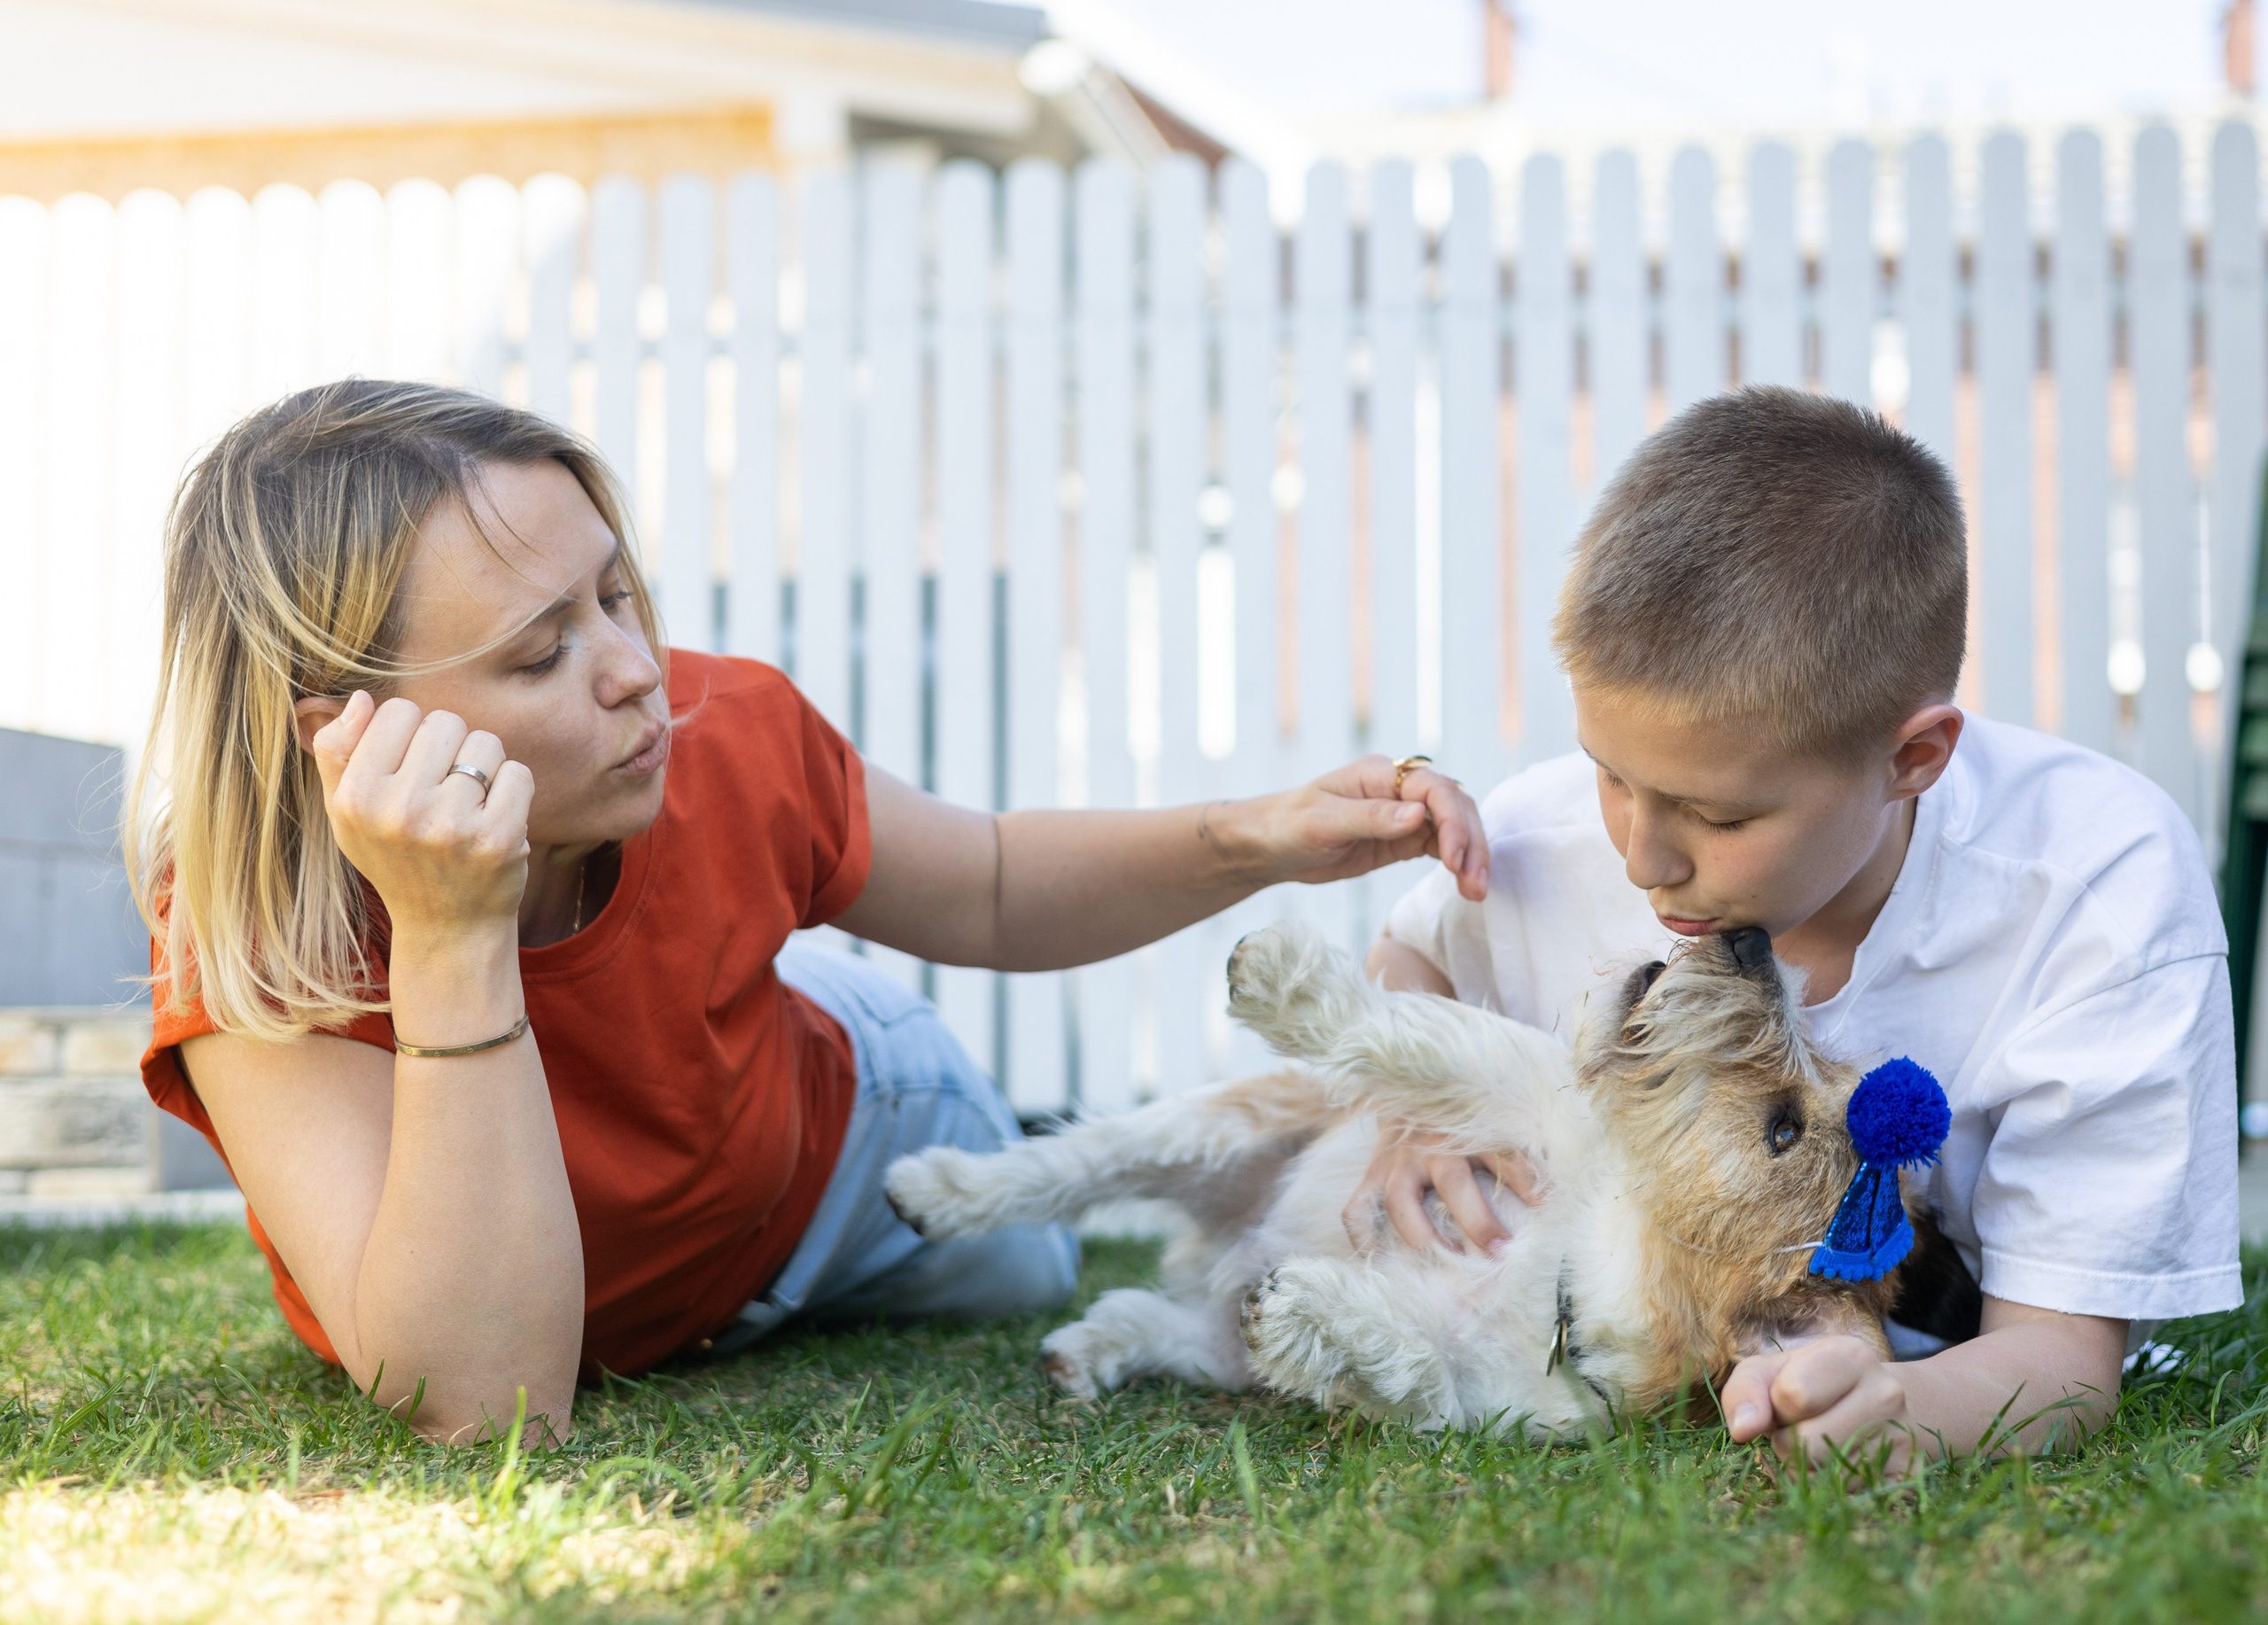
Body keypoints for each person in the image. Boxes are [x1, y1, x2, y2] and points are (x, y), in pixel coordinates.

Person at [132, 379, 1489, 1447]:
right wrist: (448, 932)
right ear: (342, 737)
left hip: (852, 1144)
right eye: (543, 650)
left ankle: (812, 994)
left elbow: (996, 882)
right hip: (649, 1208)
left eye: (617, 596)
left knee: (1031, 1266)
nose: (634, 672)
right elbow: (484, 1404)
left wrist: (1257, 834)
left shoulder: (720, 730)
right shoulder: (253, 929)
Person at [1356, 386, 2240, 1474]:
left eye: (1722, 817)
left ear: (1913, 757)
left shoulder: (2098, 896)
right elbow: (1410, 955)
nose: (1642, 857)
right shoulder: (1541, 838)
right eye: (1610, 773)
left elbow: (2059, 1355)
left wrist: (1899, 1405)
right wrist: (1412, 1105)